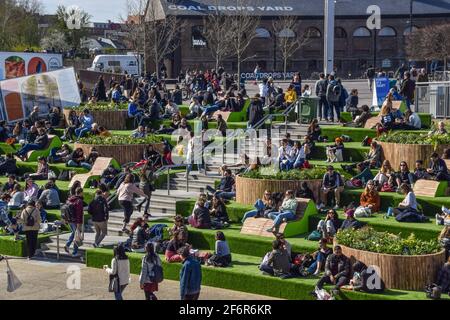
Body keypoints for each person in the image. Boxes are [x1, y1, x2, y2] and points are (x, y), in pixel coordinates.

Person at [63, 187, 84, 257]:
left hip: (69, 220)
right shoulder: (79, 201)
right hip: (75, 221)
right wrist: (79, 224)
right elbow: (79, 213)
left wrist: (65, 219)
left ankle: (67, 245)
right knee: (77, 235)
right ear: (80, 193)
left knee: (73, 233)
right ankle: (75, 252)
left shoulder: (70, 199)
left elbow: (65, 210)